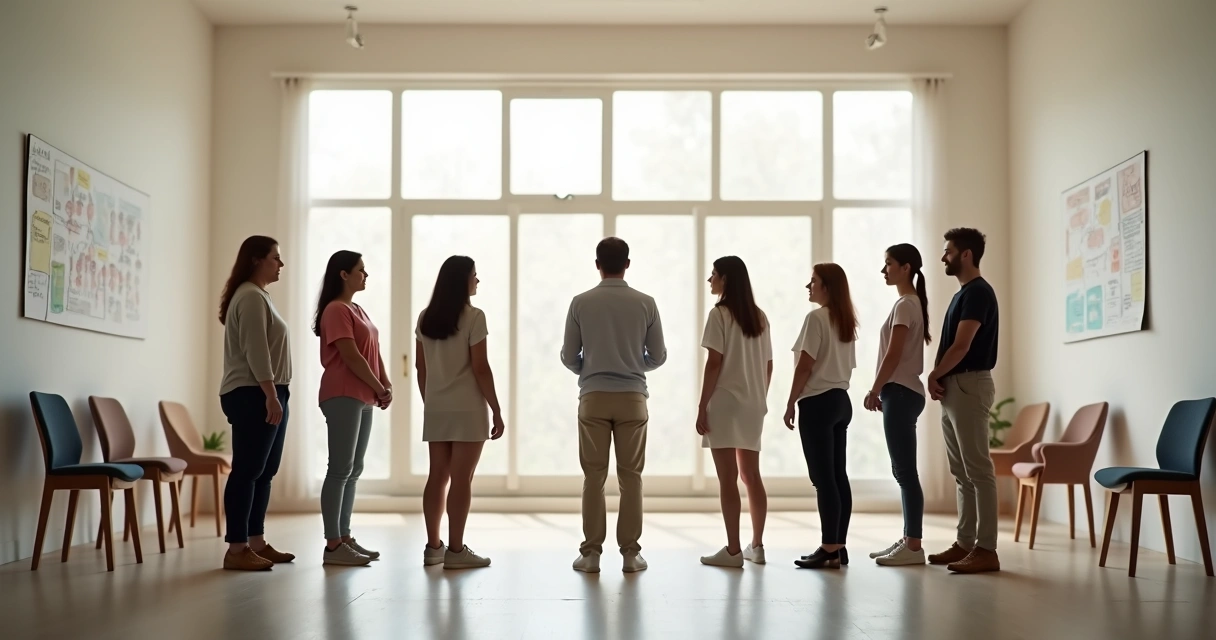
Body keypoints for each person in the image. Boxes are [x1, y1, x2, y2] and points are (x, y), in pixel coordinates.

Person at [561, 237, 666, 574]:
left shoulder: (580, 302)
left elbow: (568, 356)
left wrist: (589, 369)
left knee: (594, 477)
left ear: (597, 264)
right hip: (633, 398)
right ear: (628, 264)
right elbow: (658, 356)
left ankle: (591, 554)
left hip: (592, 396)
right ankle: (630, 555)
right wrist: (634, 365)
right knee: (630, 477)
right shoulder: (646, 303)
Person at [416, 256, 504, 570]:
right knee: (461, 479)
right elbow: (480, 368)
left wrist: (431, 403)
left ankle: (433, 547)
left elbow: (420, 367)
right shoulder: (474, 317)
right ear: (462, 281)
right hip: (468, 408)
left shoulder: (425, 318)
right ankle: (455, 551)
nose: (477, 281)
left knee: (437, 476)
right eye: (474, 276)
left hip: (437, 407)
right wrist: (496, 408)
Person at [926, 227, 1001, 574]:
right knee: (961, 472)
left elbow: (962, 345)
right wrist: (943, 376)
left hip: (969, 383)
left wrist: (935, 373)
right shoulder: (963, 294)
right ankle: (965, 543)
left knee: (978, 470)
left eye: (948, 251)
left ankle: (986, 549)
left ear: (966, 254)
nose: (944, 257)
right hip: (957, 385)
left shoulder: (978, 294)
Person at [217, 235, 295, 571]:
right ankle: (236, 549)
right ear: (256, 260)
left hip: (268, 391)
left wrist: (275, 393)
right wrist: (269, 394)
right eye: (275, 257)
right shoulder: (249, 296)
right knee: (247, 471)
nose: (280, 264)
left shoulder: (259, 296)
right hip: (253, 393)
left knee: (264, 472)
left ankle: (256, 541)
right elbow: (256, 350)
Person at [314, 250, 391, 566]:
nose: (366, 274)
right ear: (343, 274)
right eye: (361, 269)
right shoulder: (335, 310)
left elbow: (372, 352)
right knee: (341, 468)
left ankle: (344, 536)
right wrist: (377, 386)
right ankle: (333, 545)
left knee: (354, 468)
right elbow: (351, 356)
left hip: (363, 396)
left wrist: (384, 385)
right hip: (343, 393)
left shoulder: (357, 308)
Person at [696, 256, 773, 568]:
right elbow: (768, 365)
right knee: (751, 475)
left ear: (725, 279)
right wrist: (759, 397)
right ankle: (757, 545)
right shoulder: (760, 317)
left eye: (713, 275)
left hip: (726, 403)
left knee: (728, 478)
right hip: (754, 404)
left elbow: (714, 363)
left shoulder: (719, 314)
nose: (709, 280)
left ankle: (732, 550)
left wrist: (702, 406)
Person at [785, 263, 857, 570]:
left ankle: (828, 548)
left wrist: (790, 401)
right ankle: (838, 546)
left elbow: (805, 365)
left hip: (817, 403)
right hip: (841, 401)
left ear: (827, 286)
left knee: (823, 479)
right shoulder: (845, 321)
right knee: (837, 476)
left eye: (813, 281)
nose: (808, 286)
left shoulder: (815, 318)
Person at [864, 244, 931, 566]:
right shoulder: (909, 304)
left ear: (906, 267)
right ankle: (909, 538)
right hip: (904, 392)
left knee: (904, 472)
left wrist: (874, 388)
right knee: (903, 470)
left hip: (900, 392)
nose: (883, 270)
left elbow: (893, 352)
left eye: (888, 263)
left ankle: (914, 546)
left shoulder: (906, 304)